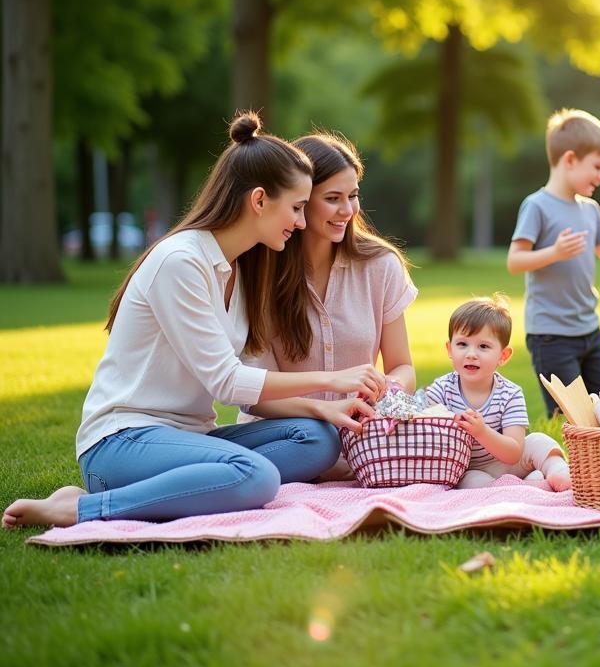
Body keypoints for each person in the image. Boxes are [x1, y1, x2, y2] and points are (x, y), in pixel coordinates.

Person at [2, 113, 383, 530]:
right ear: (258, 201)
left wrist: (319, 410)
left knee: (316, 439)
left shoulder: (244, 270)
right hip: (122, 441)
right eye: (295, 208)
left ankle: (203, 482)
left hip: (190, 439)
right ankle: (81, 508)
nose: (302, 222)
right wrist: (331, 381)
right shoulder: (181, 262)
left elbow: (247, 393)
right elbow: (226, 382)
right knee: (257, 476)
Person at [239, 132, 417, 481]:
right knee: (317, 443)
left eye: (353, 196)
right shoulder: (258, 273)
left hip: (360, 434)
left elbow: (403, 366)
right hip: (286, 437)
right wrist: (326, 411)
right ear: (301, 201)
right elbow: (255, 395)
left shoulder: (381, 265)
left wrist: (385, 394)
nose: (348, 211)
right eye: (333, 198)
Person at [508, 108, 600, 415]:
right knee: (572, 418)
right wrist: (555, 252)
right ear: (570, 159)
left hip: (590, 331)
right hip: (551, 336)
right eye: (598, 167)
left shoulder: (590, 210)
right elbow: (515, 261)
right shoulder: (537, 206)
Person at [424, 294, 572, 490]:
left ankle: (557, 471)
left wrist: (482, 432)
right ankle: (528, 487)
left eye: (483, 346)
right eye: (462, 344)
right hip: (470, 468)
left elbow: (514, 452)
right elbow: (426, 438)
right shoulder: (441, 391)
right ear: (450, 349)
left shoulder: (510, 394)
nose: (471, 354)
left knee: (539, 442)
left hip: (510, 462)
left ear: (503, 355)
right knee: (471, 483)